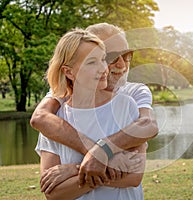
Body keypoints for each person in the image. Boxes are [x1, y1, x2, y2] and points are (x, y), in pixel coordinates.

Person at [30, 22, 158, 188]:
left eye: (126, 55)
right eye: (110, 57)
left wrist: (99, 153)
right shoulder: (67, 94)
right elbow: (40, 117)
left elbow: (148, 125)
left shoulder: (132, 93)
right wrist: (96, 155)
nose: (122, 64)